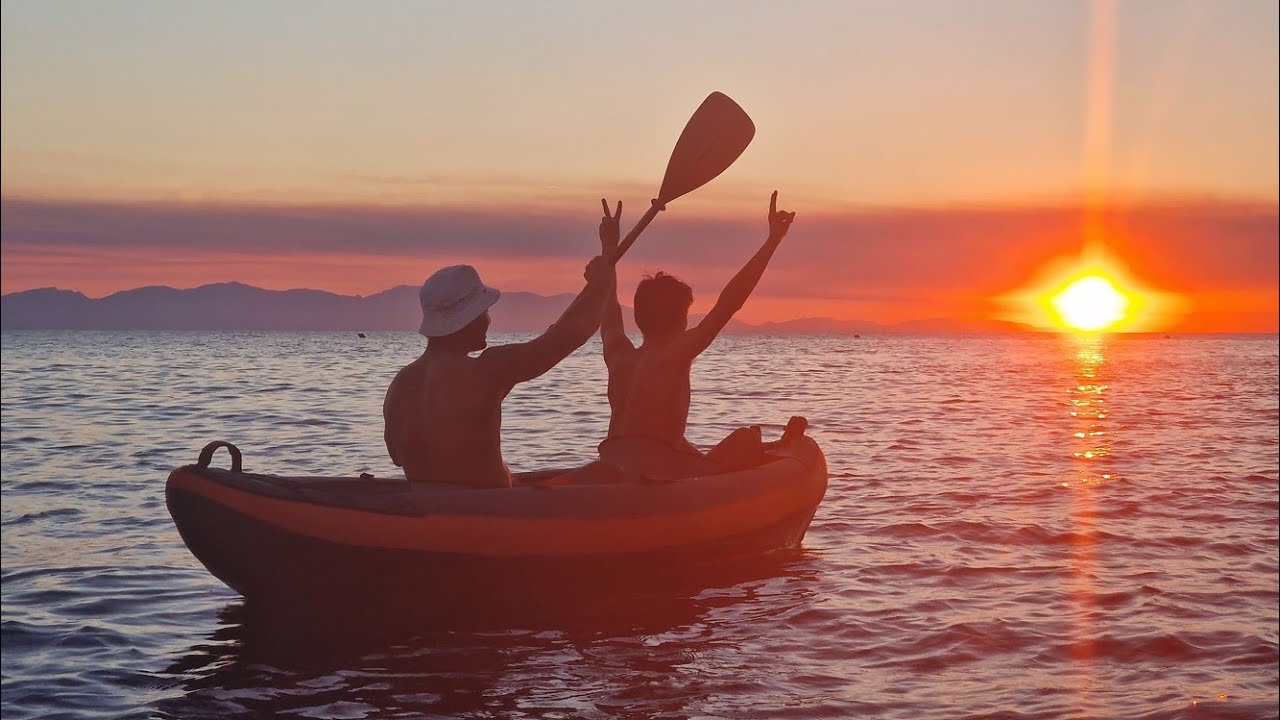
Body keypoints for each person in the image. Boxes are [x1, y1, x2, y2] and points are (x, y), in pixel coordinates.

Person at [383, 223, 616, 487]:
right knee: (607, 473)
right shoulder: (489, 370)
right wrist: (605, 274)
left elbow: (397, 457)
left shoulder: (401, 384)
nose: (488, 321)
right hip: (488, 507)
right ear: (468, 320)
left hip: (425, 504)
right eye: (484, 312)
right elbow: (566, 337)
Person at [597, 191, 796, 480]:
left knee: (690, 451)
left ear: (639, 318)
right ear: (681, 318)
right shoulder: (673, 356)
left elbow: (608, 304)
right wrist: (772, 241)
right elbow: (729, 303)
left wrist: (609, 249)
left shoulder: (617, 354)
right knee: (745, 439)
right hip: (650, 477)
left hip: (611, 465)